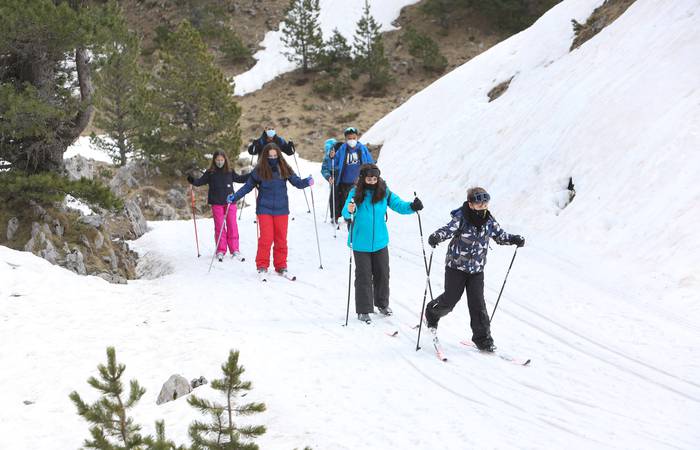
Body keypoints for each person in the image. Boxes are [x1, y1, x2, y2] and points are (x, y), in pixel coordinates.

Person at [425, 187, 525, 352]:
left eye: (485, 202)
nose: (483, 206)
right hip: (456, 267)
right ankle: (431, 313)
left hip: (477, 269)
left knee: (478, 304)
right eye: (479, 203)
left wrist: (514, 239)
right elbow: (447, 230)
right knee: (450, 300)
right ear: (470, 204)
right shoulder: (461, 218)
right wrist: (437, 236)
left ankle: (483, 340)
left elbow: (500, 236)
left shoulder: (489, 220)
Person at [342, 164, 423, 323]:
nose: (372, 181)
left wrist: (412, 206)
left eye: (374, 178)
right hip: (360, 242)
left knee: (383, 274)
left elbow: (399, 205)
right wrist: (350, 209)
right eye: (369, 178)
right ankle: (364, 310)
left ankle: (382, 304)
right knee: (364, 276)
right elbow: (345, 211)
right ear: (363, 178)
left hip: (380, 241)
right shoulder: (355, 193)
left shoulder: (384, 192)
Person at [227, 143, 313, 278]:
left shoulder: (284, 168)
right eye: (270, 156)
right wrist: (235, 197)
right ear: (265, 156)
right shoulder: (259, 170)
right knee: (266, 238)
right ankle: (262, 266)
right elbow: (247, 187)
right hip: (264, 209)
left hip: (282, 209)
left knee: (281, 239)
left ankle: (281, 266)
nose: (273, 158)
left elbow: (297, 183)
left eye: (275, 155)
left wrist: (307, 181)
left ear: (278, 155)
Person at [187, 151, 249, 262]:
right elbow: (200, 182)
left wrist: (251, 175)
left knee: (232, 225)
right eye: (217, 160)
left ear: (225, 160)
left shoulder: (229, 171)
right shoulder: (210, 172)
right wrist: (192, 180)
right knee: (220, 226)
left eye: (221, 160)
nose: (220, 162)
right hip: (216, 202)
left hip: (230, 202)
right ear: (214, 161)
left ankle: (235, 249)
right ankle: (221, 250)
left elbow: (240, 179)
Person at [333, 127, 373, 223]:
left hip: (360, 181)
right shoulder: (342, 149)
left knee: (361, 199)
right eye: (349, 138)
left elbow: (370, 162)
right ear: (346, 139)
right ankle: (348, 218)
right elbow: (335, 162)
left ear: (357, 137)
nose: (352, 140)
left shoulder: (362, 149)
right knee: (347, 201)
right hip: (345, 182)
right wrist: (332, 160)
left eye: (353, 138)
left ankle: (360, 217)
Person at [321, 138, 340, 223]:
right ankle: (334, 216)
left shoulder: (341, 155)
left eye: (332, 149)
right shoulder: (326, 158)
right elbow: (324, 169)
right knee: (334, 197)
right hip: (333, 179)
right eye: (329, 150)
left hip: (343, 178)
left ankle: (346, 214)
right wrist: (328, 177)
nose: (331, 152)